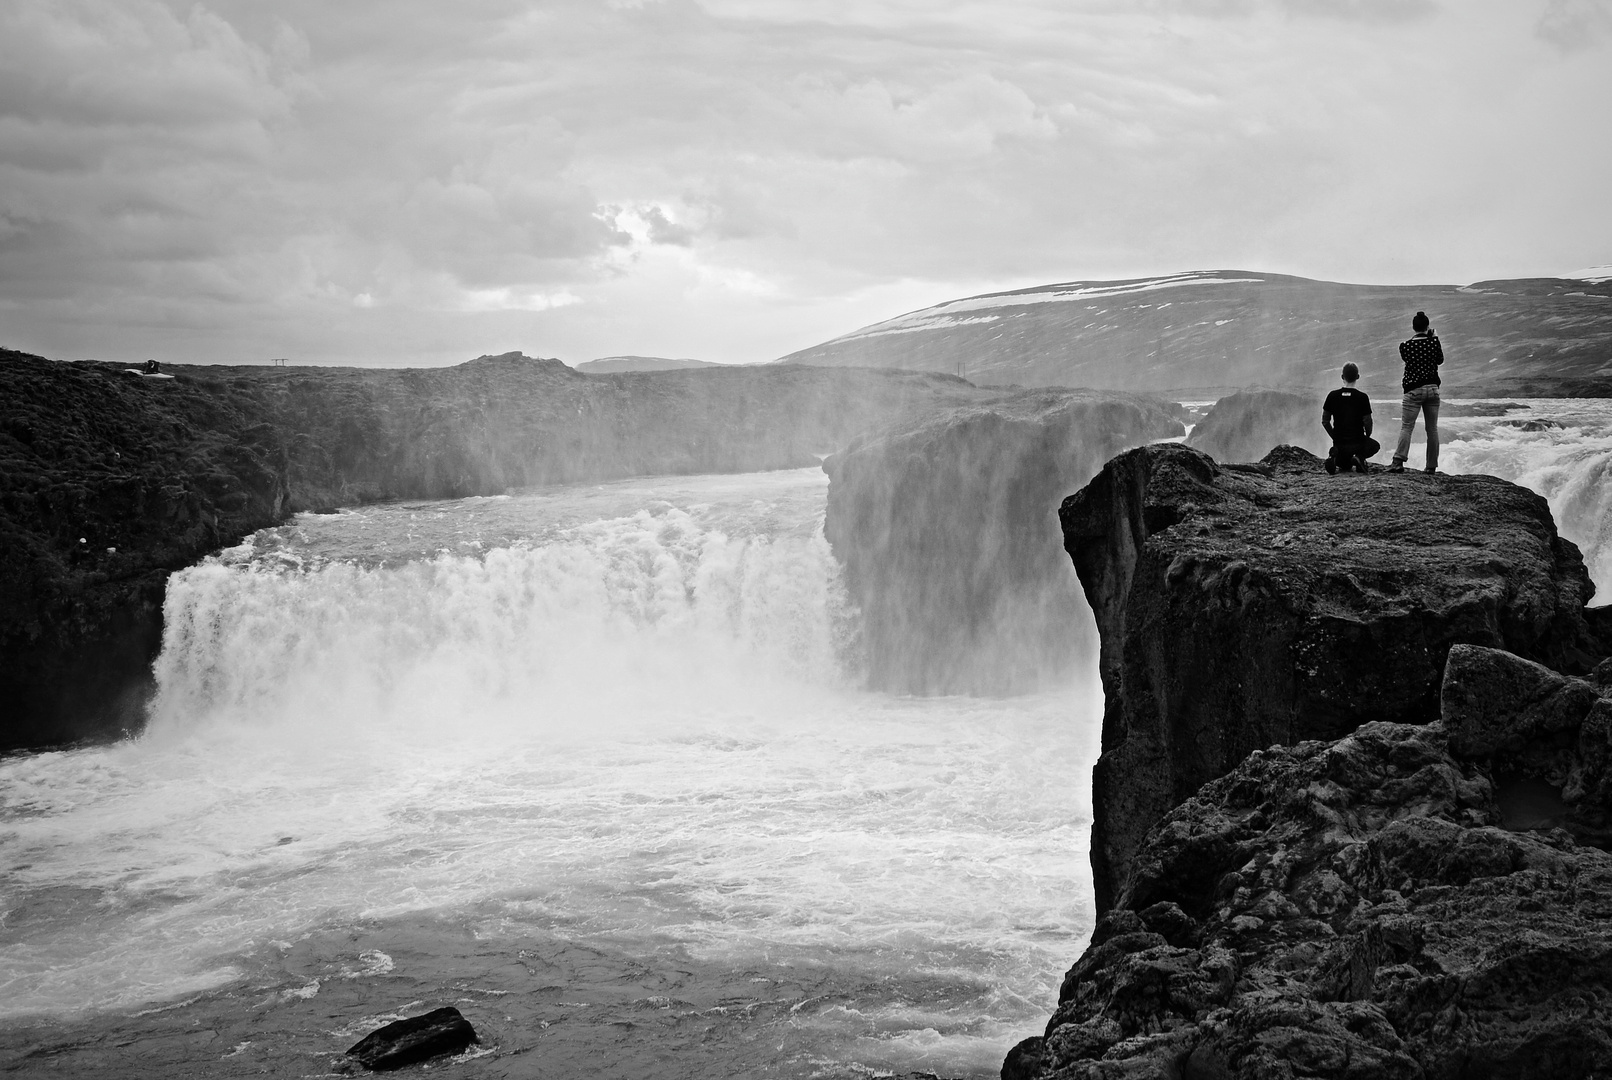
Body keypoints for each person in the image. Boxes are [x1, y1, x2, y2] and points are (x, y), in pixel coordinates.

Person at [1388, 311, 1443, 473]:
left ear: (1413, 327)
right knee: (1432, 429)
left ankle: (1398, 461)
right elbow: (1440, 360)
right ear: (1427, 327)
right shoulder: (1433, 343)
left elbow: (1407, 359)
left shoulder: (1406, 346)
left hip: (1413, 390)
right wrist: (1435, 338)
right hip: (1433, 390)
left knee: (1407, 426)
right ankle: (1431, 466)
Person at [1322, 363, 1377, 473]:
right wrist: (1368, 435)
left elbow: (1325, 421)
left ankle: (1334, 457)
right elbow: (1367, 420)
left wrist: (1335, 436)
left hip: (1339, 443)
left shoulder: (1332, 395)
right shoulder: (1362, 397)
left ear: (1342, 377)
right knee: (1375, 446)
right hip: (1357, 442)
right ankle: (1359, 457)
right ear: (1357, 377)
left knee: (1345, 466)